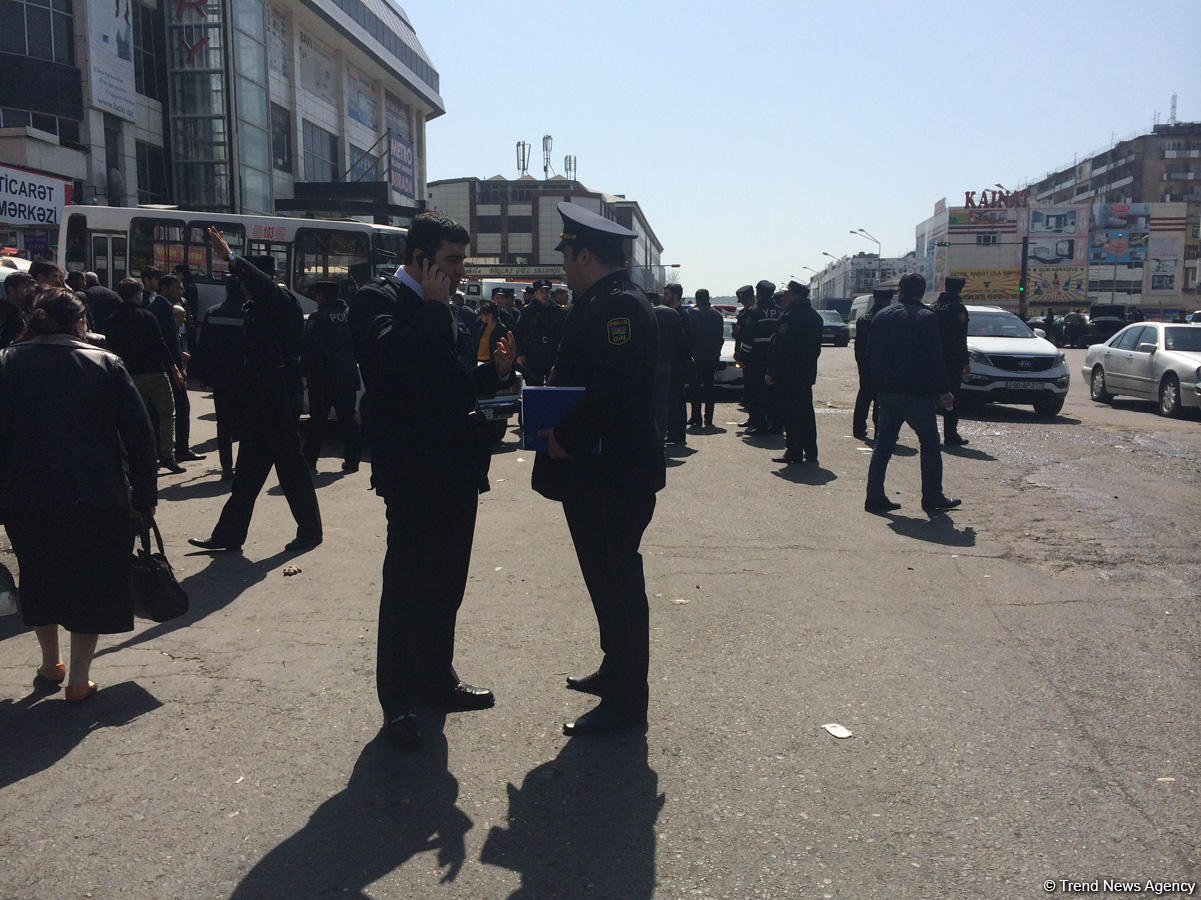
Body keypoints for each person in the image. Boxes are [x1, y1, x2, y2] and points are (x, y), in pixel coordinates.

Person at [347, 211, 515, 751]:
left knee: (448, 582)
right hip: (413, 472)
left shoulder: (453, 313)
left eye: (462, 261)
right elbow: (395, 364)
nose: (461, 272)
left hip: (459, 469)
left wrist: (496, 375)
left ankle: (437, 679)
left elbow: (452, 383)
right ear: (420, 260)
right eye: (452, 261)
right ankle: (397, 702)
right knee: (407, 587)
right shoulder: (379, 302)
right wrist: (436, 309)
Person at [532, 201, 665, 736]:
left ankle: (627, 701)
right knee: (605, 581)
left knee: (618, 582)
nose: (563, 264)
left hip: (613, 472)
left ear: (585, 254)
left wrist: (566, 436)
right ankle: (616, 672)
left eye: (567, 253)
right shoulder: (604, 301)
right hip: (599, 471)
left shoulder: (619, 308)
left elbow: (610, 387)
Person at [0, 288, 157, 702]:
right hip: (97, 493)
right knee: (91, 581)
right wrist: (145, 496)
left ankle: (51, 662)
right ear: (79, 321)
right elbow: (140, 439)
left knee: (38, 574)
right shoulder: (106, 363)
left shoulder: (7, 362)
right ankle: (78, 681)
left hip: (26, 495)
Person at [189, 230, 323, 554]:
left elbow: (262, 286)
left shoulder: (279, 298)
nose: (242, 286)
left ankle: (310, 530)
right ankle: (229, 534)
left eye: (245, 278)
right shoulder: (258, 305)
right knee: (247, 472)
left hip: (277, 394)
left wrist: (234, 259)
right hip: (260, 396)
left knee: (291, 468)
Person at [864, 273, 961, 515]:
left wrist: (878, 385)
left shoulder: (882, 316)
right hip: (917, 393)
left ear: (900, 291)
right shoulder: (926, 317)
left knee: (883, 446)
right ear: (921, 292)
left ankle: (874, 497)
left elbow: (872, 355)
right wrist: (943, 390)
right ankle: (932, 496)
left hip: (888, 392)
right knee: (929, 445)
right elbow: (934, 357)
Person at [103, 277, 187, 473]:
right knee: (166, 414)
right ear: (138, 294)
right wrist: (174, 369)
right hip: (155, 373)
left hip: (128, 375)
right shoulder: (147, 317)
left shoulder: (111, 320)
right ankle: (167, 455)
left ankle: (129, 456)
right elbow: (161, 344)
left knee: (131, 417)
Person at [301, 280, 362, 473]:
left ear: (321, 296)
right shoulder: (351, 315)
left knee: (317, 420)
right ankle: (353, 460)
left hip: (323, 378)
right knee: (348, 419)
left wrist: (303, 374)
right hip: (348, 374)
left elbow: (310, 349)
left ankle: (309, 461)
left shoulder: (318, 317)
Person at [190, 276, 245, 479]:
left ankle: (226, 468)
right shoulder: (250, 313)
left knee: (223, 424)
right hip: (245, 377)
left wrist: (202, 376)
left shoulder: (212, 313)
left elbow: (202, 347)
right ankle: (242, 466)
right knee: (245, 424)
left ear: (226, 292)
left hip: (221, 377)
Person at [766, 282, 823, 465]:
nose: (784, 297)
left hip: (789, 373)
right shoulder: (814, 316)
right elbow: (815, 349)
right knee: (806, 412)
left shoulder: (790, 317)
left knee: (792, 414)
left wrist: (772, 371)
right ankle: (811, 450)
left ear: (795, 295)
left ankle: (794, 452)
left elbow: (781, 348)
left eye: (787, 293)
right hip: (806, 373)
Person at [159, 275, 204, 462]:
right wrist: (177, 368)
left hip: (170, 364)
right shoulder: (163, 309)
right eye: (177, 288)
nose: (181, 292)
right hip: (170, 368)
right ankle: (180, 449)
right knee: (180, 408)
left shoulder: (164, 307)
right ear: (165, 288)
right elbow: (165, 342)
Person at [739, 279, 783, 434]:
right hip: (776, 358)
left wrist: (744, 356)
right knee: (774, 393)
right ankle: (776, 424)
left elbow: (748, 336)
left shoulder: (755, 311)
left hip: (757, 358)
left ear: (759, 294)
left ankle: (760, 425)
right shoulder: (779, 311)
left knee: (757, 392)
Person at [931, 275, 970, 447]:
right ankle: (951, 435)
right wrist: (965, 361)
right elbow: (960, 338)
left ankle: (929, 432)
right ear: (960, 289)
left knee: (931, 396)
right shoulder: (957, 308)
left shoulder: (934, 306)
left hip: (932, 358)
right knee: (951, 397)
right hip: (951, 360)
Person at [852, 288, 893, 441]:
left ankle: (858, 428)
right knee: (880, 400)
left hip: (865, 364)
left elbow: (858, 345)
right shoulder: (886, 318)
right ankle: (879, 431)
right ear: (886, 301)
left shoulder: (864, 317)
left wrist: (861, 363)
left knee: (864, 396)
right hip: (881, 365)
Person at [515, 278, 566, 386]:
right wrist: (519, 355)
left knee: (553, 386)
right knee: (534, 387)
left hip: (552, 354)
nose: (544, 295)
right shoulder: (528, 311)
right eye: (541, 292)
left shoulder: (557, 311)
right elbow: (518, 334)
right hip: (533, 354)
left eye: (547, 291)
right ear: (536, 293)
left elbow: (563, 333)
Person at [686, 288, 725, 428]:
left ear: (697, 299)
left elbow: (691, 336)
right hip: (712, 356)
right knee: (709, 388)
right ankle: (709, 418)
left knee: (694, 388)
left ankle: (696, 417)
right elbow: (720, 338)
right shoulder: (718, 315)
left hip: (696, 356)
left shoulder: (693, 313)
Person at [651, 290, 684, 446]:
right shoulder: (673, 315)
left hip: (651, 363)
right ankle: (663, 436)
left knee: (654, 402)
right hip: (668, 362)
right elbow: (681, 341)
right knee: (665, 401)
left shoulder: (649, 315)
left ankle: (656, 435)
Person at [661, 284, 692, 444]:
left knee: (675, 399)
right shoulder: (675, 313)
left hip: (677, 363)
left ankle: (677, 433)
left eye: (666, 294)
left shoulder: (679, 314)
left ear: (675, 296)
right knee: (675, 399)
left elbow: (684, 342)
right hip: (675, 363)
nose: (663, 296)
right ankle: (676, 432)